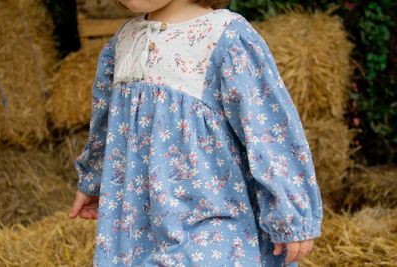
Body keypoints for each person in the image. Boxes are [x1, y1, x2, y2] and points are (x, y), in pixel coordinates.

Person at [68, 0, 324, 266]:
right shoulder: (122, 42)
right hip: (136, 227)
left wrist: (290, 210)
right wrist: (94, 179)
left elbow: (269, 130)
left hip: (211, 216)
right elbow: (107, 121)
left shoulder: (224, 37)